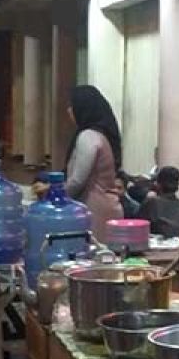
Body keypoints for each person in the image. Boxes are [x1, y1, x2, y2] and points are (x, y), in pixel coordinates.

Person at [61, 85, 124, 242]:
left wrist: (55, 197)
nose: (69, 111)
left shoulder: (88, 137)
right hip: (106, 208)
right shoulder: (101, 136)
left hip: (94, 210)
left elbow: (78, 180)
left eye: (72, 106)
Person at [135, 165, 179, 239]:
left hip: (155, 248)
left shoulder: (152, 203)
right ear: (177, 187)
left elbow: (136, 227)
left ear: (158, 184)